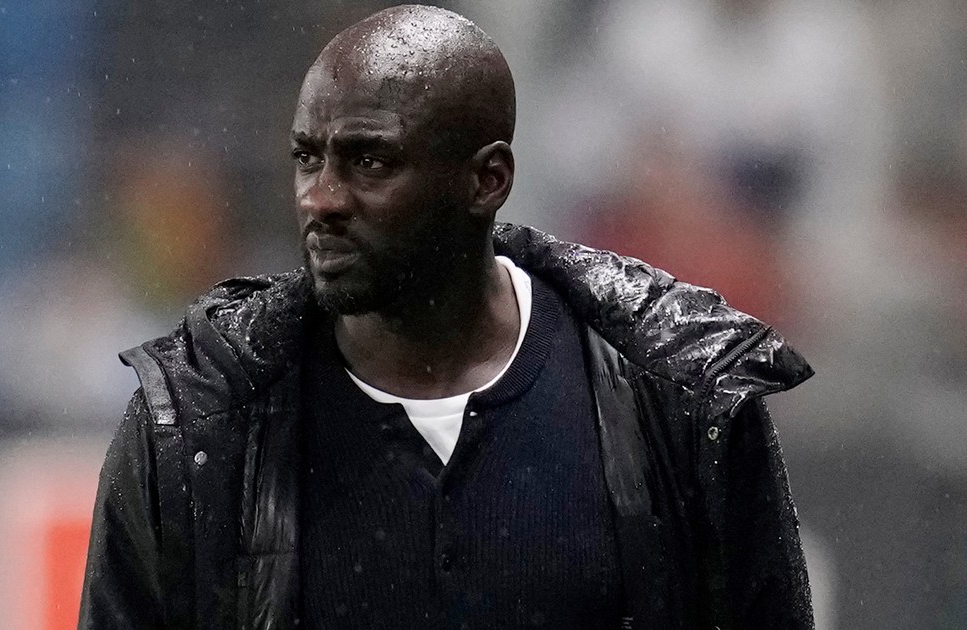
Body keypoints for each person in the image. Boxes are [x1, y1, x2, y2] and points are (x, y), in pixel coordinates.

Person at [78, 5, 814, 629]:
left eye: (369, 162)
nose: (320, 199)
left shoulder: (680, 402)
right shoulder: (197, 425)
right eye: (308, 158)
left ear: (487, 180)